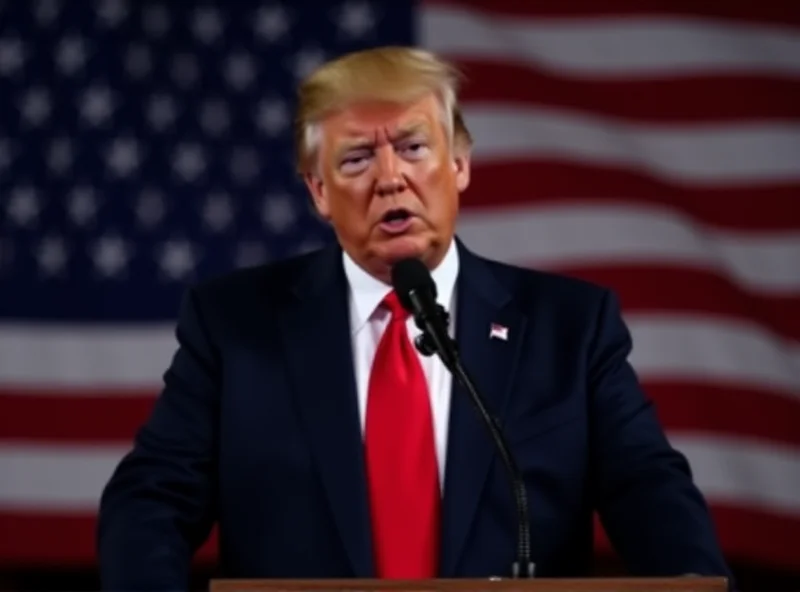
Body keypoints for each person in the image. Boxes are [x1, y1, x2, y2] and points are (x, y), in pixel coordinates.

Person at [97, 46, 734, 590]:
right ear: (318, 190)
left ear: (458, 164)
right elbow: (151, 500)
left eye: (412, 147)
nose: (390, 178)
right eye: (355, 160)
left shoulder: (569, 329)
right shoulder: (235, 326)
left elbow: (650, 493)